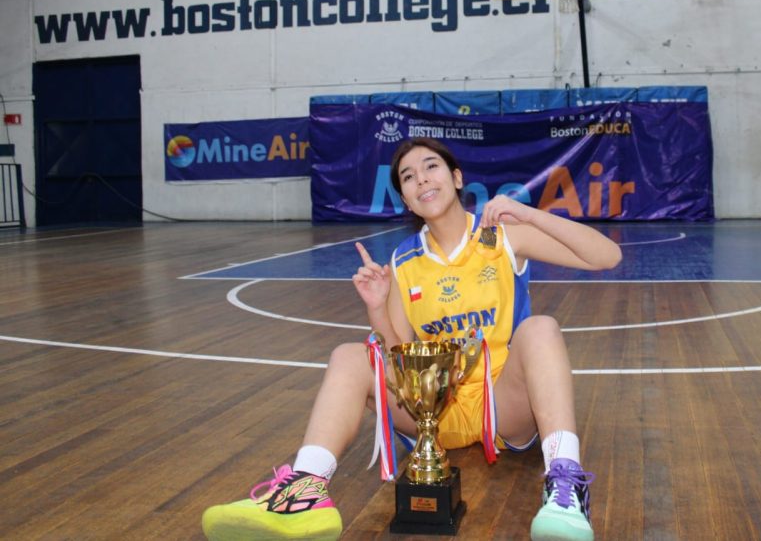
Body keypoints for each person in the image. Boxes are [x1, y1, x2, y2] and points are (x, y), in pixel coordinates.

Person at [202, 137, 623, 540]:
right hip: (437, 412)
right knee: (351, 356)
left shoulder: (501, 236)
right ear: (405, 199)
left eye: (431, 167)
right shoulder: (403, 261)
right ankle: (305, 490)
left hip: (503, 402)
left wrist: (528, 214)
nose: (421, 179)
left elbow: (607, 256)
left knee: (540, 328)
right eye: (407, 176)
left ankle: (565, 490)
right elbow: (400, 362)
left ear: (457, 179)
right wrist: (377, 307)